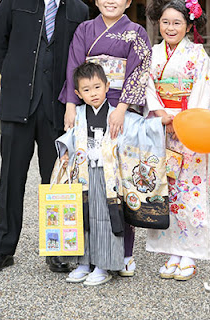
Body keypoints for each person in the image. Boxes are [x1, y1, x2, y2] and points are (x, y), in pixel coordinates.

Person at [0, 0, 89, 275]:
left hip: (57, 109)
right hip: (18, 103)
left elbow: (79, 59)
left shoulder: (79, 10)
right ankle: (3, 249)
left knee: (55, 181)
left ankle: (56, 249)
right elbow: (0, 42)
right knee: (11, 177)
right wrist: (13, 74)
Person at [145, 0, 210, 281]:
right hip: (162, 129)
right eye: (165, 22)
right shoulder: (153, 54)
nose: (169, 28)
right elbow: (147, 88)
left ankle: (190, 251)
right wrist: (159, 114)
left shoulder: (197, 55)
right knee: (165, 192)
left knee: (190, 193)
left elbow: (205, 92)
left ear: (188, 26)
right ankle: (171, 250)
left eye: (176, 23)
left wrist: (184, 120)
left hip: (191, 133)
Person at [60, 0, 152, 277]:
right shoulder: (86, 29)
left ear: (128, 1)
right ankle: (87, 255)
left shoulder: (136, 32)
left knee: (120, 182)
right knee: (86, 183)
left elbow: (138, 71)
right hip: (88, 105)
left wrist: (122, 107)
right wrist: (72, 104)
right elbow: (75, 64)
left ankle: (124, 253)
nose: (110, 1)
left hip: (118, 108)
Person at [57, 62, 169, 286]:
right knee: (83, 217)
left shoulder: (118, 114)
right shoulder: (78, 114)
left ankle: (103, 266)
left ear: (107, 86)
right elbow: (68, 139)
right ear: (78, 93)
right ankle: (82, 264)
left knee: (105, 219)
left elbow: (141, 128)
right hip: (84, 174)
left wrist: (159, 123)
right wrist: (65, 153)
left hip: (109, 177)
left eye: (97, 87)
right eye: (86, 90)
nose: (93, 94)